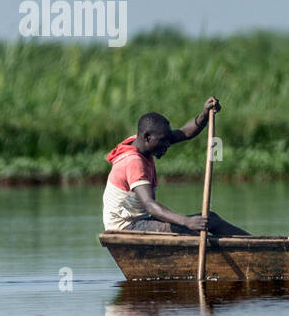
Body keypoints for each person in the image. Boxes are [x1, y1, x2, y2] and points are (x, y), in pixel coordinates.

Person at [102, 97, 249, 235]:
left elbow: (185, 133)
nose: (167, 145)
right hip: (126, 226)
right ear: (146, 137)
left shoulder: (145, 142)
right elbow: (150, 205)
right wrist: (187, 221)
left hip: (141, 220)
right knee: (189, 231)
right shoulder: (134, 161)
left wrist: (204, 115)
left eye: (168, 141)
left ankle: (258, 246)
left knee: (211, 219)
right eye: (163, 142)